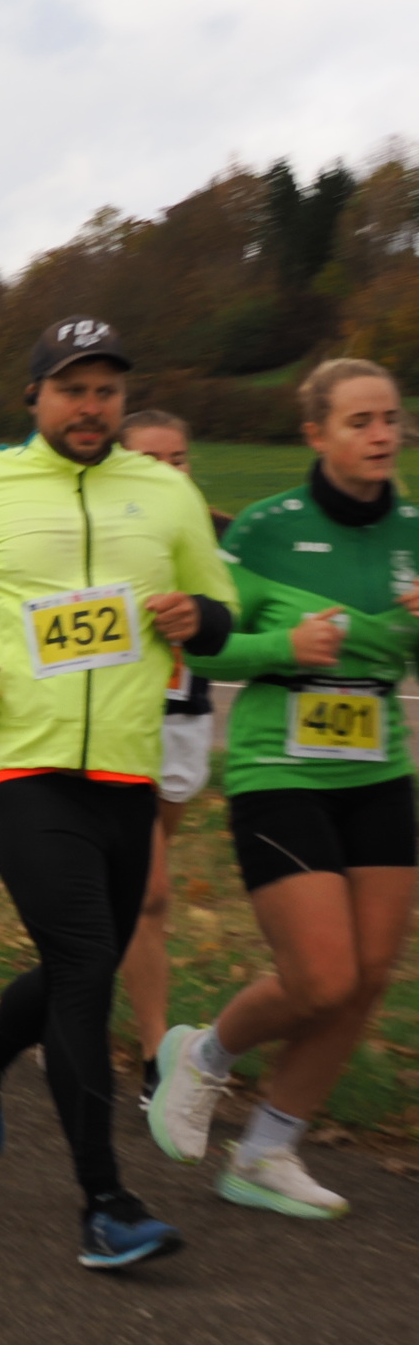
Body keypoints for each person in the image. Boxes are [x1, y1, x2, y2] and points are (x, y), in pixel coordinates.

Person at [0, 316, 235, 1271]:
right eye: (72, 389)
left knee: (84, 960)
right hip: (18, 763)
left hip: (126, 768)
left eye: (106, 390)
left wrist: (196, 616)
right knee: (87, 958)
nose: (91, 406)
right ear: (35, 396)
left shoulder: (165, 492)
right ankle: (106, 1204)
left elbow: (220, 613)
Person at [149, 358, 419, 1219]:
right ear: (316, 433)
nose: (382, 434)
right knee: (322, 979)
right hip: (280, 770)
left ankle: (266, 1152)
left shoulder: (414, 531)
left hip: (380, 770)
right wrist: (285, 648)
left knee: (369, 978)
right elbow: (206, 646)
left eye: (390, 419)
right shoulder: (264, 530)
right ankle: (204, 1056)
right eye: (360, 421)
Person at [112, 410, 231, 1106]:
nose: (168, 472)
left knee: (124, 896)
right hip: (121, 725)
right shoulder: (98, 531)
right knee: (149, 892)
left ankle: (53, 999)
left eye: (178, 459)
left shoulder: (220, 533)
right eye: (150, 461)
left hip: (187, 722)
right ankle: (157, 1056)